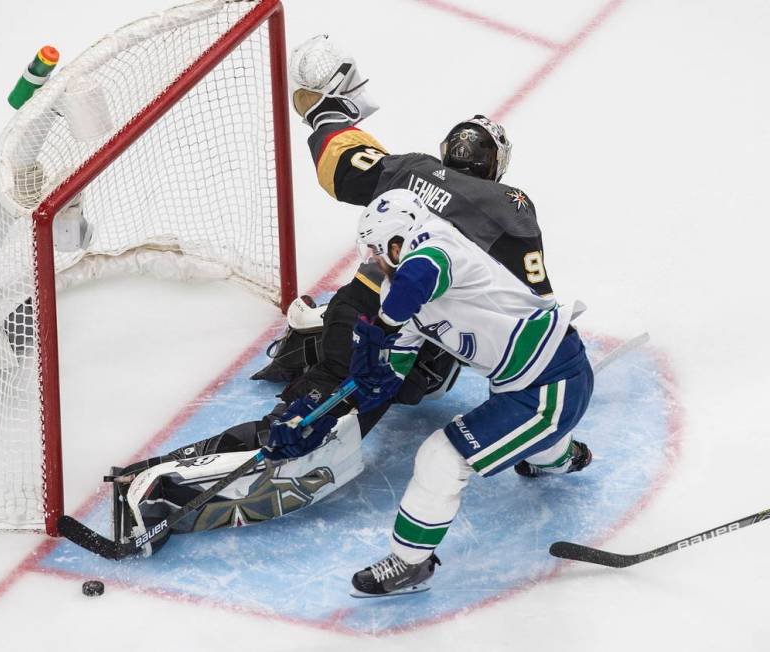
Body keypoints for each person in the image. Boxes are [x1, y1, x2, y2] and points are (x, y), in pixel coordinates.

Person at [103, 35, 582, 548]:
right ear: (495, 164)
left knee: (410, 378)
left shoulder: (412, 168)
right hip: (386, 323)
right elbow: (532, 299)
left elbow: (344, 165)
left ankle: (312, 343)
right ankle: (162, 486)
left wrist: (325, 112)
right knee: (315, 428)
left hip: (368, 308)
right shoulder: (506, 202)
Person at [310, 189, 594, 597]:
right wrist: (334, 406)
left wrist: (384, 325)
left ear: (399, 239)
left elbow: (420, 278)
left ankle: (409, 564)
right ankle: (564, 457)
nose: (372, 261)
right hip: (517, 383)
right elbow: (389, 374)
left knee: (440, 458)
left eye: (377, 250)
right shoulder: (396, 293)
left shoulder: (439, 245)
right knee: (534, 447)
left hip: (552, 382)